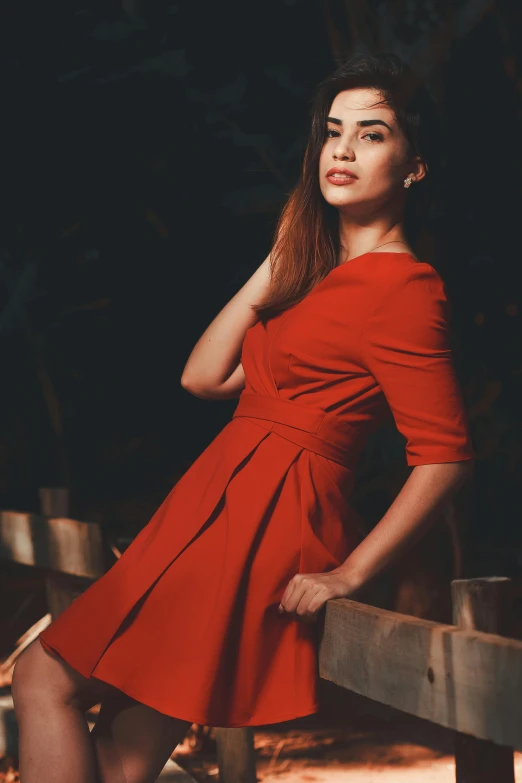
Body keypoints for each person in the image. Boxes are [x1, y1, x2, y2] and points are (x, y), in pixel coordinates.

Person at [12, 52, 475, 783]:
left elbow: (444, 456)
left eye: (374, 133)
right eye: (333, 131)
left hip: (264, 521)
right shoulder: (321, 278)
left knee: (44, 678)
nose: (344, 149)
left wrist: (350, 572)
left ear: (414, 166)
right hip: (218, 502)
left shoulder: (407, 290)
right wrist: (284, 258)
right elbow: (203, 376)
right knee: (119, 759)